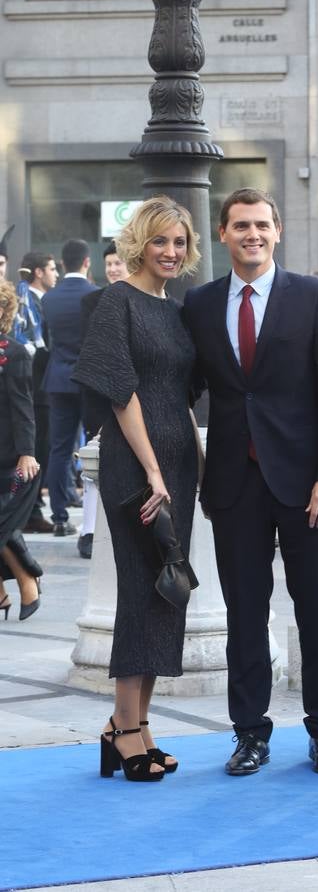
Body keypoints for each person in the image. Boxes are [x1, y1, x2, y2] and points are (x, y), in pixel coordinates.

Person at [183, 188, 318, 776]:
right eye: (240, 226)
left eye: (261, 225)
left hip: (309, 487)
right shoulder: (201, 304)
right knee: (244, 615)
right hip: (234, 487)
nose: (251, 234)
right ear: (223, 234)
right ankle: (250, 733)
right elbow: (180, 389)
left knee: (316, 612)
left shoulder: (311, 297)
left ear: (277, 231)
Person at [73, 196, 202, 782]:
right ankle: (125, 728)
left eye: (179, 242)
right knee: (137, 588)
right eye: (161, 242)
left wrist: (185, 464)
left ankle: (135, 725)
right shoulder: (117, 302)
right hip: (138, 468)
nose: (171, 252)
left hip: (180, 467)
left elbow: (184, 390)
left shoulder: (175, 311)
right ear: (139, 244)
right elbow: (121, 393)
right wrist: (152, 469)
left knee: (165, 588)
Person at [42, 239, 99, 536]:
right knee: (93, 448)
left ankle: (60, 518)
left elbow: (46, 338)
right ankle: (91, 519)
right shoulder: (95, 294)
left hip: (58, 379)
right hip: (89, 381)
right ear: (87, 262)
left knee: (59, 448)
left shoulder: (49, 298)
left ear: (63, 264)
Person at [76, 242, 129, 559]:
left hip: (134, 396)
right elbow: (90, 350)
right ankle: (89, 531)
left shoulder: (144, 298)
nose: (112, 269)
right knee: (94, 465)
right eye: (108, 263)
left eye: (118, 263)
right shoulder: (91, 301)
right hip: (97, 394)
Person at [0, 281, 43, 621]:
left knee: (3, 523)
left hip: (9, 459)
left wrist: (27, 452)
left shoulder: (12, 352)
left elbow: (22, 406)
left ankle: (28, 580)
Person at [15, 252, 59, 534]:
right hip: (34, 389)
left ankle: (30, 510)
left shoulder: (42, 302)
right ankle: (29, 512)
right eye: (52, 269)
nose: (56, 274)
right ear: (39, 272)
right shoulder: (28, 304)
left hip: (40, 389)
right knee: (34, 451)